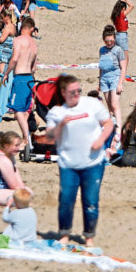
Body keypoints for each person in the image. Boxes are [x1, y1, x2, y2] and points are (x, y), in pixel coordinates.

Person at [45, 75, 114, 246]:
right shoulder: (56, 112)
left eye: (78, 91)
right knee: (66, 200)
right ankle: (64, 234)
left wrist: (101, 140)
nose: (76, 95)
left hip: (93, 162)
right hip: (68, 164)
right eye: (72, 92)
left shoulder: (92, 104)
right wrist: (61, 124)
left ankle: (89, 237)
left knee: (90, 201)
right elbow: (49, 138)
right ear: (63, 92)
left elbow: (108, 123)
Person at [6, 16, 38, 149]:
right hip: (30, 78)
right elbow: (34, 67)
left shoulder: (18, 40)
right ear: (31, 28)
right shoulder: (34, 44)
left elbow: (14, 59)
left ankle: (26, 139)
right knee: (24, 111)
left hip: (19, 77)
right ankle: (26, 138)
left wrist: (6, 73)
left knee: (17, 111)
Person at [98, 25, 127, 150]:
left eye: (111, 41)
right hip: (104, 79)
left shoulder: (118, 50)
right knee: (109, 106)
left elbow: (123, 68)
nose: (109, 43)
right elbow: (101, 66)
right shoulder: (102, 50)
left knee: (115, 104)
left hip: (115, 78)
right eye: (107, 41)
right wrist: (99, 81)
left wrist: (120, 83)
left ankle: (119, 128)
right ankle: (112, 126)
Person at [111, 0, 134, 66]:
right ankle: (123, 72)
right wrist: (127, 1)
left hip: (118, 34)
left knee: (119, 55)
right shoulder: (121, 15)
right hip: (122, 35)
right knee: (125, 56)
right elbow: (132, 6)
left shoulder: (115, 15)